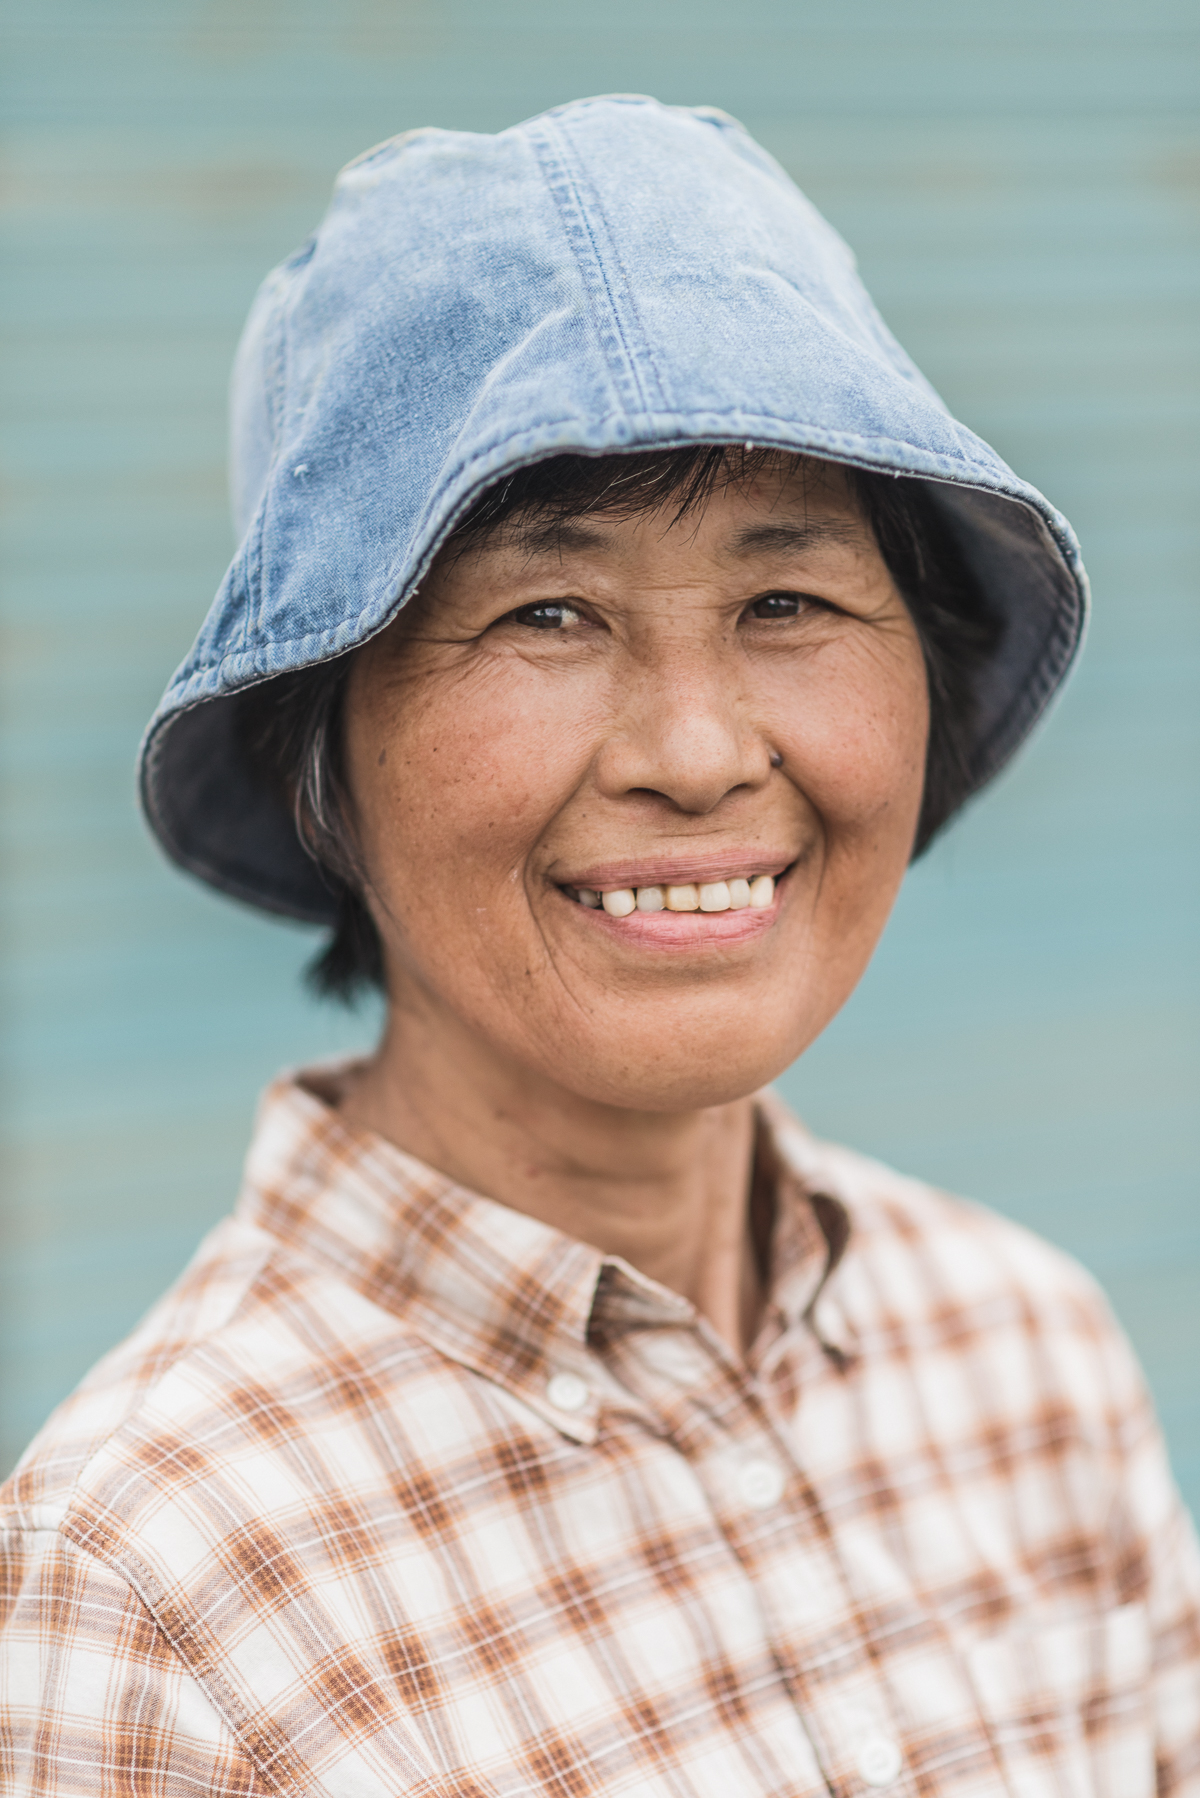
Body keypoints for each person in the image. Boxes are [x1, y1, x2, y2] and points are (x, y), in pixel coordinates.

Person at [1, 95, 1196, 1797]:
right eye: (546, 613)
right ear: (317, 750)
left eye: (787, 602)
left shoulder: (1020, 1355)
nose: (696, 753)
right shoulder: (155, 1587)